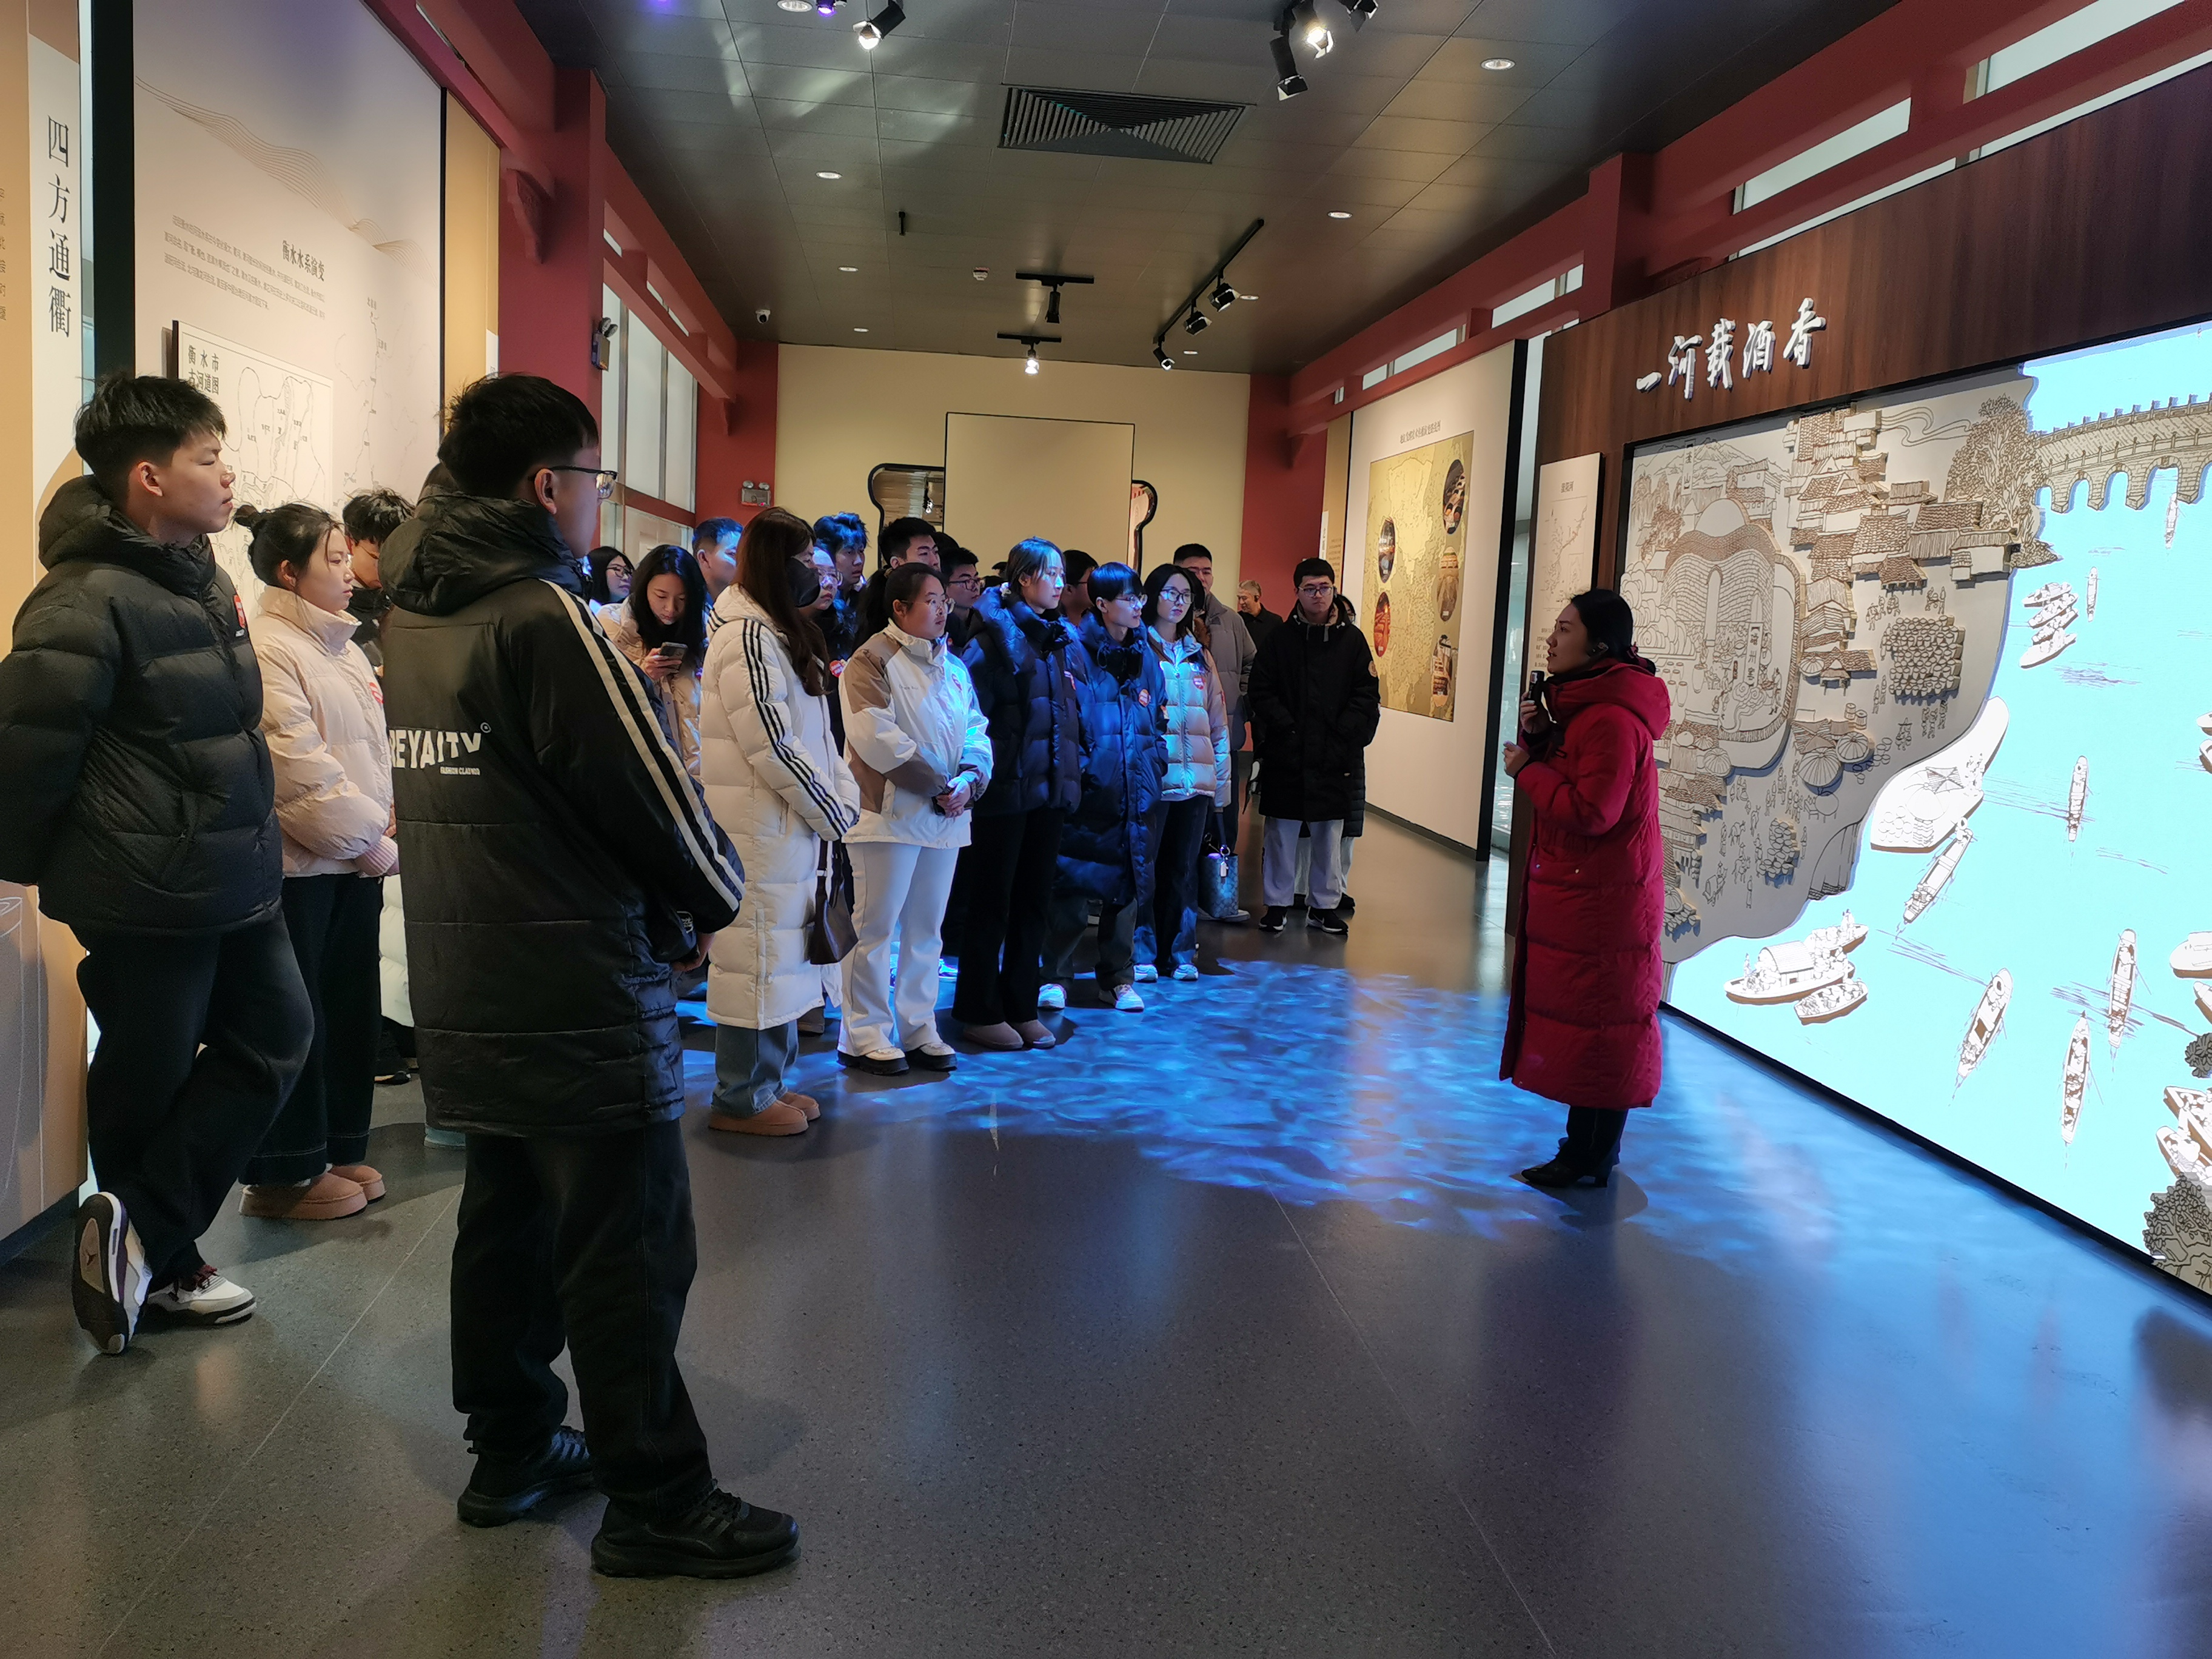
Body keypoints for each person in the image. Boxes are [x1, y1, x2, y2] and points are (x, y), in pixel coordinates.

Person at [379, 373, 788, 1578]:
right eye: (594, 480)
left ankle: (511, 1449)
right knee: (629, 1241)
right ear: (547, 484)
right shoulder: (539, 615)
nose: (596, 502)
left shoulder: (414, 610)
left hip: (472, 967)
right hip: (574, 975)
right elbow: (646, 794)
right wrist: (712, 899)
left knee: (505, 1222)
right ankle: (657, 1496)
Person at [0, 372, 309, 1353]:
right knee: (150, 1072)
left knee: (279, 1035)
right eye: (209, 459)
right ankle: (164, 1270)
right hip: (143, 883)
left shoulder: (204, 577)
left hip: (237, 873)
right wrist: (19, 864)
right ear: (149, 477)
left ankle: (137, 1226)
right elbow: (28, 746)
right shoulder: (79, 599)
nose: (228, 477)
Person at [235, 502, 398, 1222]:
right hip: (301, 871)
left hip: (352, 863)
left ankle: (336, 1149)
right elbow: (296, 773)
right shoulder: (270, 647)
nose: (349, 570)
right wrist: (372, 841)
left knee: (349, 1012)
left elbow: (369, 751)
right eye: (333, 558)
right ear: (288, 572)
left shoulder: (345, 646)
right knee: (297, 1021)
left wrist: (382, 819)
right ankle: (284, 1175)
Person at [1499, 591, 1671, 1188]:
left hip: (1604, 904)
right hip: (1593, 896)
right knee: (1594, 1027)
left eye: (1565, 630)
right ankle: (1587, 1151)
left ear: (1598, 646)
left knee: (1603, 1030)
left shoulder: (1610, 719)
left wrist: (1528, 770)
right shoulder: (1589, 709)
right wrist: (1544, 738)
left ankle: (1588, 1157)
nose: (1551, 640)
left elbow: (1594, 812)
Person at [700, 508, 858, 1134]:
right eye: (804, 560)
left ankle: (770, 1081)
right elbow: (773, 745)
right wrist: (833, 810)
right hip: (759, 830)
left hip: (789, 828)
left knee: (783, 961)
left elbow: (819, 738)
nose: (814, 572)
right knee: (756, 960)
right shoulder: (746, 637)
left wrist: (839, 800)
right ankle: (741, 1096)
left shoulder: (776, 631)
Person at [839, 563, 991, 1074]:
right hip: (886, 817)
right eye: (931, 600)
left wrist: (970, 780)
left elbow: (977, 730)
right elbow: (874, 735)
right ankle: (863, 1035)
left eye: (944, 599)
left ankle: (919, 1028)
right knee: (875, 929)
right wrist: (940, 786)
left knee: (927, 932)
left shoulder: (955, 667)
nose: (942, 608)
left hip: (945, 818)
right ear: (900, 608)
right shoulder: (871, 660)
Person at [954, 538, 1082, 1050]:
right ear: (1024, 578)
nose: (1060, 583)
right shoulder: (991, 637)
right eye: (1051, 573)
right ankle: (979, 1010)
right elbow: (971, 716)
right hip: (1003, 791)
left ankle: (1021, 1005)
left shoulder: (1057, 636)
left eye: (1063, 574)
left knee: (1034, 903)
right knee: (992, 904)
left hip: (1048, 790)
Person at [1042, 563, 1166, 1014]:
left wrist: (1154, 765)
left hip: (1136, 787)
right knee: (1072, 885)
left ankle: (1117, 979)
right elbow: (1065, 720)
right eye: (1128, 599)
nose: (1138, 607)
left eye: (1140, 598)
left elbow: (1158, 716)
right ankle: (1054, 976)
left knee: (1127, 886)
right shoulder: (1074, 650)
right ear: (1101, 604)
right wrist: (1086, 770)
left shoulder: (1145, 654)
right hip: (1091, 788)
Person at [1248, 558, 1378, 937]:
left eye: (1324, 587)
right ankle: (1277, 905)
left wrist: (1344, 734)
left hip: (1334, 756)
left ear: (1334, 590)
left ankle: (1324, 907)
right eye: (1310, 589)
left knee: (1329, 836)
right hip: (1287, 753)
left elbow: (1367, 695)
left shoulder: (1353, 642)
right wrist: (1286, 728)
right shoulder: (1280, 639)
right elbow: (1261, 690)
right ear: (1297, 593)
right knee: (1281, 833)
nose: (1318, 595)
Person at [1137, 560, 1230, 985]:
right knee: (1146, 869)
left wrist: (1221, 785)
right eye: (1171, 593)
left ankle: (1180, 951)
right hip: (1155, 781)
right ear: (1152, 597)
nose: (1178, 602)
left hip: (1196, 785)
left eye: (1186, 596)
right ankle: (1143, 951)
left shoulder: (1200, 656)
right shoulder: (1140, 649)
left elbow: (1218, 724)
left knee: (1184, 871)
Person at [599, 543, 709, 784]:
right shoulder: (612, 625)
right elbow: (599, 701)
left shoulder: (702, 629)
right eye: (661, 596)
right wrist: (642, 675)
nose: (671, 609)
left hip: (697, 767)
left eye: (682, 599)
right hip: (640, 767)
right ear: (643, 588)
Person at [1170, 544, 1256, 829]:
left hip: (1224, 736)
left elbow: (1252, 664)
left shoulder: (1232, 620)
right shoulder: (1166, 618)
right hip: (1179, 743)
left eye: (1206, 571)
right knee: (1184, 828)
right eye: (1193, 571)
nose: (1201, 578)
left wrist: (1239, 700)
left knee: (1223, 827)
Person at [341, 486, 412, 671]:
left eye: (398, 558)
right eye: (378, 559)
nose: (389, 569)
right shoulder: (337, 606)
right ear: (350, 543)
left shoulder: (406, 599)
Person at [856, 515, 940, 643]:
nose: (935, 561)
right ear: (897, 563)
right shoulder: (881, 610)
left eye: (936, 552)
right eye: (924, 554)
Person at [691, 516, 740, 622]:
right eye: (733, 554)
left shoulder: (740, 603)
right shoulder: (688, 608)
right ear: (704, 558)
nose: (741, 562)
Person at [941, 543, 984, 649]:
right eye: (966, 581)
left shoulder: (984, 620)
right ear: (944, 586)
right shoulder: (938, 625)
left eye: (976, 579)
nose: (975, 587)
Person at [585, 546, 634, 616]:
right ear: (597, 572)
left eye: (628, 571)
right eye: (617, 569)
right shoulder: (585, 611)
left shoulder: (632, 613)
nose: (626, 577)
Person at [1237, 578, 1282, 651]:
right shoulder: (1237, 619)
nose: (1241, 602)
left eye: (1244, 598)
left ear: (1257, 597)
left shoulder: (1275, 622)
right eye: (1239, 598)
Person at [1059, 548, 1097, 625]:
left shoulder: (1096, 623)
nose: (1097, 586)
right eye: (1091, 582)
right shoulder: (1049, 627)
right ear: (1069, 589)